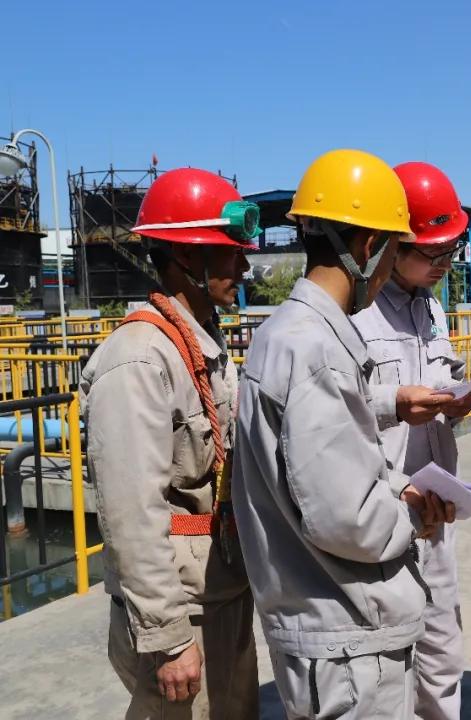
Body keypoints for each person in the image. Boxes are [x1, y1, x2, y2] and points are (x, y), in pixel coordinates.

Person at [232, 149, 453, 720]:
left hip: (324, 631)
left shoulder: (282, 334)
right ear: (369, 246)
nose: (388, 270)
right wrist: (413, 512)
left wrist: (395, 486)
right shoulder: (317, 349)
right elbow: (349, 520)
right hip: (348, 640)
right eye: (393, 251)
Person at [82, 167, 260, 719]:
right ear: (186, 255)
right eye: (230, 253)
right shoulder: (138, 359)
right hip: (182, 614)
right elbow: (131, 514)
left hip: (219, 593)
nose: (244, 266)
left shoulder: (201, 344)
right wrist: (168, 638)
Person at [352, 161, 471, 720]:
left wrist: (460, 397)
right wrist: (393, 402)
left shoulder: (432, 307)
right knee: (384, 659)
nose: (444, 263)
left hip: (436, 505)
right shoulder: (354, 315)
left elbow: (442, 374)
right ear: (390, 246)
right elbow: (327, 412)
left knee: (443, 645)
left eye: (452, 250)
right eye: (433, 252)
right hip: (382, 508)